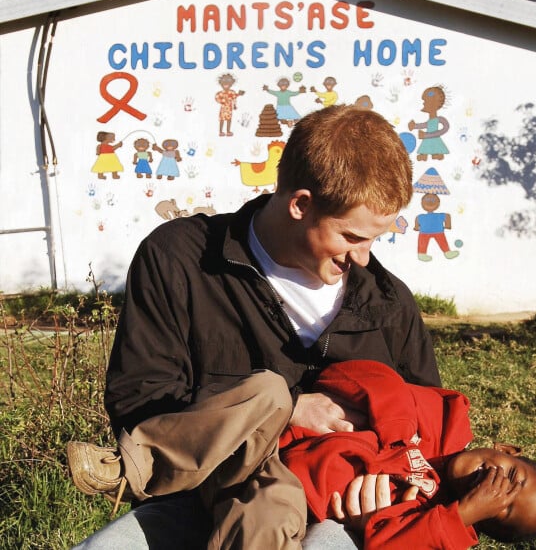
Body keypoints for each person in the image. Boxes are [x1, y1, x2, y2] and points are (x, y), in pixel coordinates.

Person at [67, 104, 441, 549]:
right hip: (198, 493)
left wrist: (389, 480)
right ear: (301, 204)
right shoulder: (180, 259)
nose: (362, 258)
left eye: (376, 239)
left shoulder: (387, 302)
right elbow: (140, 399)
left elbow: (430, 424)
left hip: (331, 505)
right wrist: (288, 408)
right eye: (352, 237)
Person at [280, 360, 536, 549]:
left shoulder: (431, 521)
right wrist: (398, 436)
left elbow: (388, 545)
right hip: (276, 437)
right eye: (511, 475)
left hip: (291, 503)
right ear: (506, 449)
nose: (494, 485)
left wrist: (460, 516)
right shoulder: (445, 420)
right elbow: (367, 375)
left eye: (502, 507)